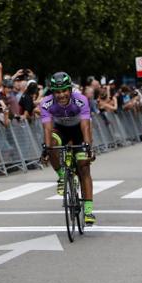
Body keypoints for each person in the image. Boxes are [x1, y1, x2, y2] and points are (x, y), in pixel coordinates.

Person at [40, 72, 96, 225]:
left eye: (64, 90)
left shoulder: (81, 100)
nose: (61, 95)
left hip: (79, 130)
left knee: (84, 168)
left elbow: (85, 126)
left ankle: (89, 210)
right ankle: (62, 175)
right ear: (53, 92)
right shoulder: (46, 103)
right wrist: (46, 148)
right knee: (50, 145)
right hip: (60, 130)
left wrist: (88, 146)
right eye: (57, 92)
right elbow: (47, 128)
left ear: (70, 90)